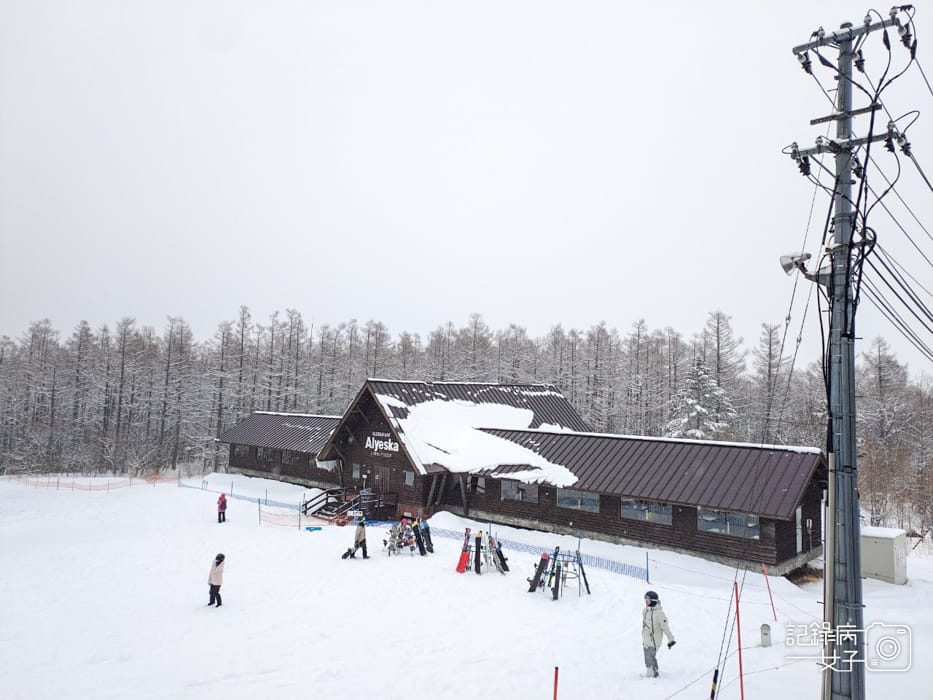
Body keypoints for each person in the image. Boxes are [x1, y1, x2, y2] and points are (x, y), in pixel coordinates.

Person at [642, 590, 675, 678]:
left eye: (647, 600)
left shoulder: (660, 614)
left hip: (654, 640)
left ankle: (651, 675)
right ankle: (654, 671)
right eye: (645, 600)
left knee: (649, 658)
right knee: (649, 657)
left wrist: (671, 639)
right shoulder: (646, 610)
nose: (646, 602)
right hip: (646, 639)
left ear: (652, 601)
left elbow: (665, 627)